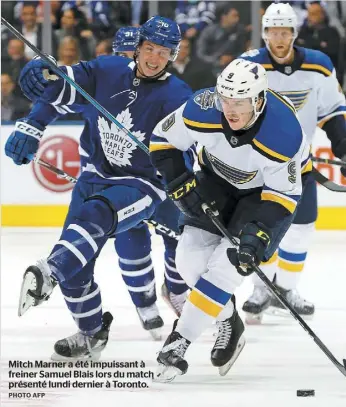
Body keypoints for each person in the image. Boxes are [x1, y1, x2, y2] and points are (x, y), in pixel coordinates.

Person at [5, 16, 192, 360]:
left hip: (142, 184)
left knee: (102, 223)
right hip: (95, 177)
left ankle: (52, 271)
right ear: (138, 48)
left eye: (163, 52)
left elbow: (190, 153)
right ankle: (90, 334)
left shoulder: (179, 96)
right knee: (78, 270)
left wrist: (179, 197)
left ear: (173, 55)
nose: (154, 58)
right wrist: (41, 80)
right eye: (149, 48)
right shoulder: (108, 69)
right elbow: (62, 84)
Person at [149, 58, 311, 382]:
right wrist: (178, 179)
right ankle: (228, 319)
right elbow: (162, 140)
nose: (231, 110)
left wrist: (257, 235)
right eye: (226, 100)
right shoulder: (202, 108)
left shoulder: (284, 134)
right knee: (189, 261)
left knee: (226, 267)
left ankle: (178, 342)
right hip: (215, 181)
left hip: (264, 196)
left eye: (240, 102)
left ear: (259, 100)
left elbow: (283, 197)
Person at [240, 2, 346, 323]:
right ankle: (262, 289)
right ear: (265, 33)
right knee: (262, 228)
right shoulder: (248, 65)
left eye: (285, 31)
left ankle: (285, 290)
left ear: (294, 33)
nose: (279, 37)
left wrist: (343, 146)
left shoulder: (319, 65)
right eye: (273, 31)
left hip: (299, 164)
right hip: (257, 165)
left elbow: (332, 110)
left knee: (301, 228)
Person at [111, 26, 191, 335]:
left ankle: (176, 290)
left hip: (160, 181)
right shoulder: (106, 86)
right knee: (132, 241)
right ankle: (144, 301)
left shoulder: (170, 91)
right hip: (122, 182)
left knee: (181, 238)